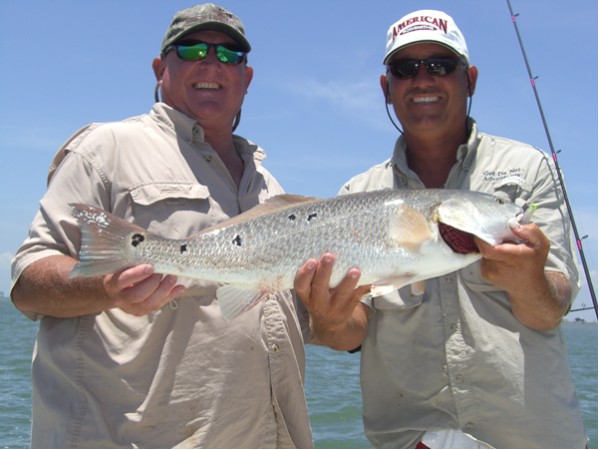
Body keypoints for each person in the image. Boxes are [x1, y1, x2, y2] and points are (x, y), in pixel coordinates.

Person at [11, 4, 314, 448]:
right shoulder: (107, 149)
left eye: (229, 54)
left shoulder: (270, 187)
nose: (211, 63)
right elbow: (28, 282)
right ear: (160, 68)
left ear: (246, 78)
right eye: (191, 49)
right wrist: (107, 288)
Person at [294, 9, 588, 449]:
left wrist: (530, 281)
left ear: (470, 80)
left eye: (440, 65)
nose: (423, 79)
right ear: (387, 88)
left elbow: (550, 309)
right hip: (413, 438)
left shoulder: (530, 169)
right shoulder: (357, 194)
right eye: (405, 68)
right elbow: (351, 330)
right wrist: (326, 320)